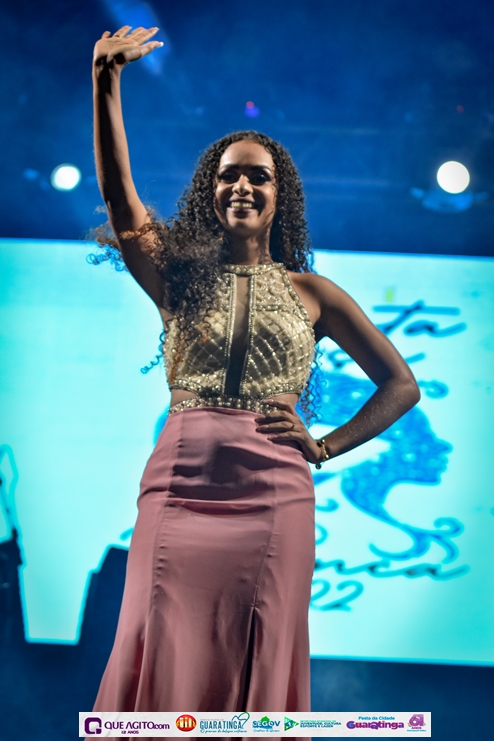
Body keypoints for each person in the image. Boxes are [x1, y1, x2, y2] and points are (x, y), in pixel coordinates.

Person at [89, 25, 420, 721]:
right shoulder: (178, 277)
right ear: (210, 192)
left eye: (257, 175)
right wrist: (106, 83)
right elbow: (121, 203)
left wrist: (325, 445)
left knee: (257, 651)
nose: (241, 184)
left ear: (280, 195)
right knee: (158, 634)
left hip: (274, 498)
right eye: (228, 174)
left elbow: (401, 385)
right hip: (178, 491)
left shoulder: (314, 293)